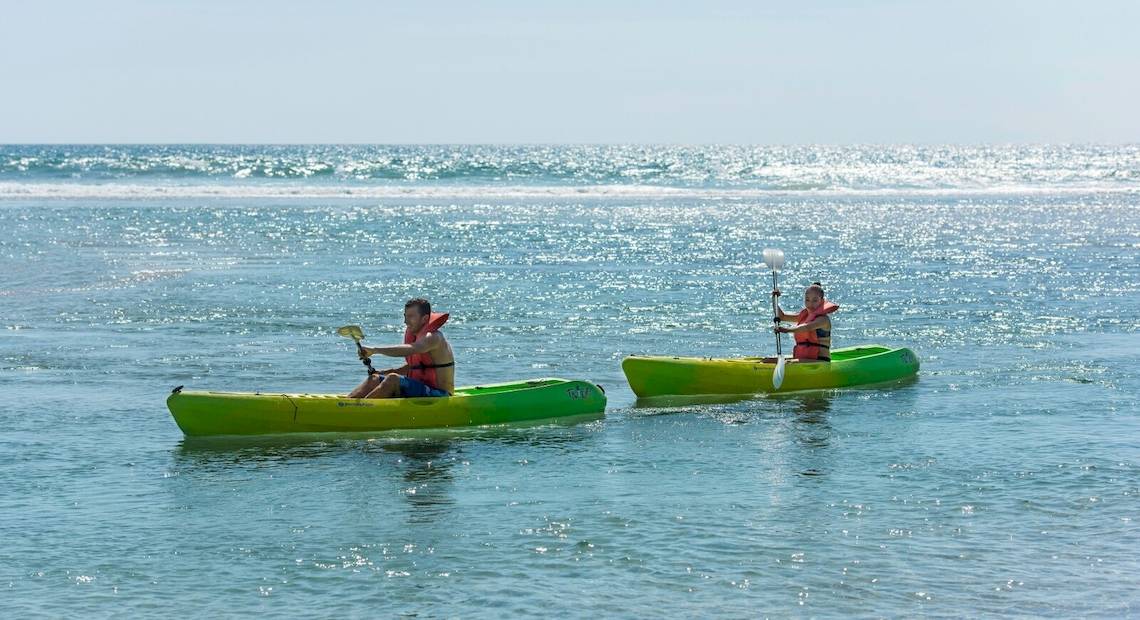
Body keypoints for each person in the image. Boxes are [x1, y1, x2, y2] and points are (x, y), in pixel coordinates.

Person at [347, 298, 456, 398]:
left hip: (440, 394)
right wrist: (382, 372)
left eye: (410, 317)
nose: (405, 321)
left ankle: (361, 411)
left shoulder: (433, 337)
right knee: (374, 379)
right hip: (418, 389)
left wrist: (374, 350)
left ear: (425, 319)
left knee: (393, 379)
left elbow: (412, 348)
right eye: (405, 316)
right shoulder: (415, 335)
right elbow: (415, 367)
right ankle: (346, 405)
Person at [772, 282, 839, 362]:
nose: (810, 304)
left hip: (820, 360)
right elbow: (782, 316)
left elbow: (807, 327)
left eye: (815, 300)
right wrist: (774, 299)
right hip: (803, 359)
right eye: (807, 300)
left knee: (789, 363)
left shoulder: (823, 320)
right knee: (767, 361)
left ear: (821, 301)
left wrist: (787, 330)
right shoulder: (804, 316)